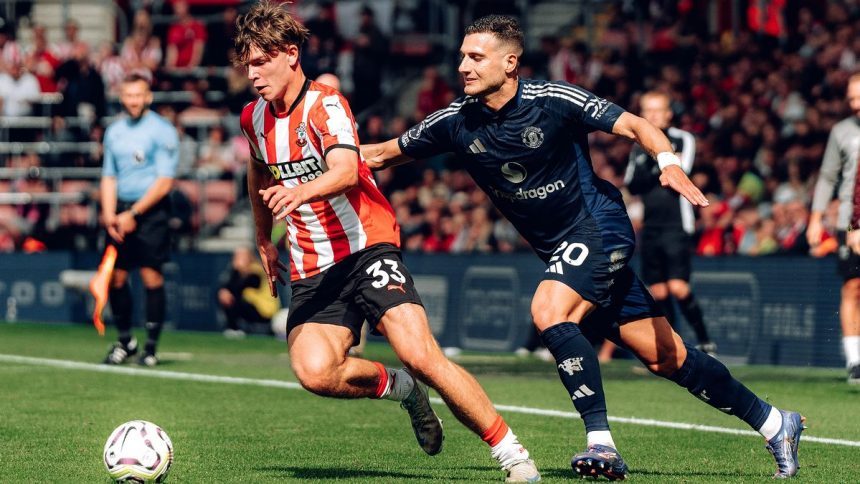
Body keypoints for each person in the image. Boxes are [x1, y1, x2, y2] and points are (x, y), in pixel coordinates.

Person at [362, 15, 805, 480]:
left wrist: (667, 161)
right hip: (562, 250)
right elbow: (380, 155)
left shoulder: (553, 99)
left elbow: (635, 124)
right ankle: (776, 423)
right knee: (666, 356)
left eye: (476, 57)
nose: (463, 67)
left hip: (598, 227)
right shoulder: (456, 121)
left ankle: (601, 444)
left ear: (510, 62)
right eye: (462, 57)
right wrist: (321, 154)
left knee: (549, 310)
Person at [233, 4, 540, 482]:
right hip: (313, 263)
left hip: (366, 245)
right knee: (315, 372)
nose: (252, 74)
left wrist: (299, 191)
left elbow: (344, 170)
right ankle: (403, 390)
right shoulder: (253, 117)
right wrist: (262, 238)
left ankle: (513, 455)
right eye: (247, 65)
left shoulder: (326, 105)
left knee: (419, 354)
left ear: (291, 54)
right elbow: (257, 170)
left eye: (260, 62)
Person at [621, 91, 715, 355]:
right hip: (651, 227)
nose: (652, 115)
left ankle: (706, 342)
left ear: (668, 114)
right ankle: (676, 349)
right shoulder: (638, 146)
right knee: (659, 292)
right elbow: (632, 183)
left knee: (678, 287)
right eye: (647, 110)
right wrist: (657, 167)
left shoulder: (683, 139)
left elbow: (679, 172)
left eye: (657, 110)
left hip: (676, 224)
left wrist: (654, 167)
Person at [100, 73, 178, 367]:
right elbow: (109, 176)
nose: (133, 101)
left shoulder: (162, 130)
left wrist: (134, 214)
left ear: (148, 97)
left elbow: (165, 181)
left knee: (150, 276)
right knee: (116, 277)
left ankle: (151, 348)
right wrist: (110, 215)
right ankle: (125, 342)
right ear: (122, 97)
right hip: (120, 211)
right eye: (128, 95)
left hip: (151, 212)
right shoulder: (114, 131)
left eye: (138, 95)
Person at [808, 72, 860, 384]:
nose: (855, 104)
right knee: (853, 287)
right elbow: (828, 176)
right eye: (851, 98)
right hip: (851, 222)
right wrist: (816, 218)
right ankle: (855, 360)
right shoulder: (842, 131)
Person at [218, 246, 279, 338]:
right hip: (252, 307)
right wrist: (223, 291)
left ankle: (235, 329)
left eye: (241, 257)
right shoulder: (239, 273)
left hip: (264, 310)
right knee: (225, 295)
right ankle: (233, 329)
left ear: (250, 257)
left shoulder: (257, 270)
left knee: (234, 298)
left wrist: (237, 271)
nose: (237, 260)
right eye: (236, 257)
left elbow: (241, 287)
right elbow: (227, 288)